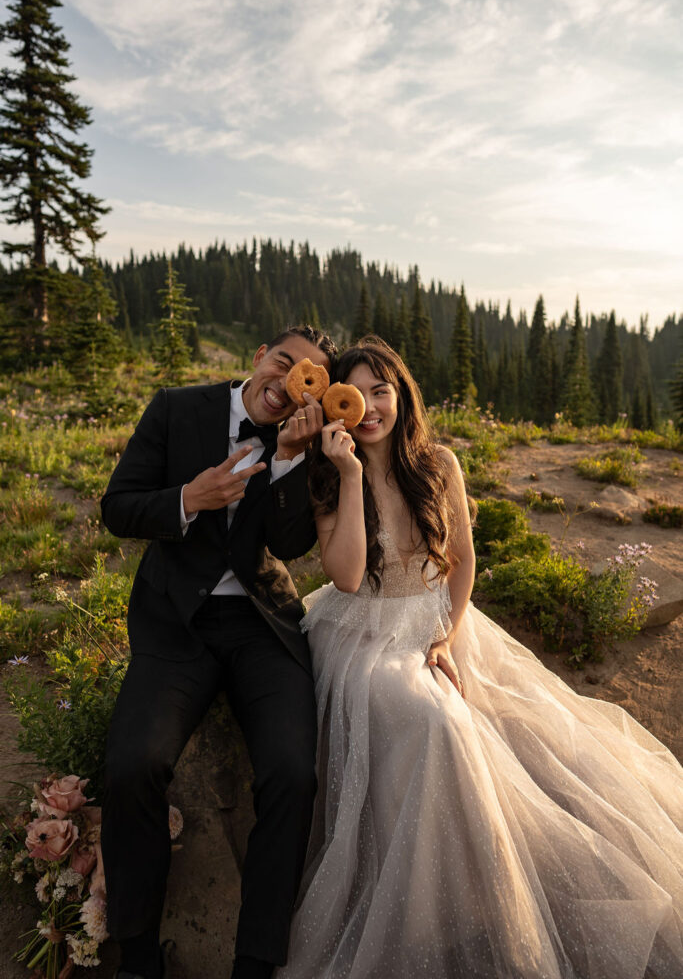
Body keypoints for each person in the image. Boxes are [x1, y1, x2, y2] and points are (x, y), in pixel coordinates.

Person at [275, 336, 683, 979]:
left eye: (383, 391)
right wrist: (352, 476)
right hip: (361, 633)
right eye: (358, 395)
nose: (372, 408)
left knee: (527, 735)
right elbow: (348, 576)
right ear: (337, 406)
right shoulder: (329, 474)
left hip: (436, 621)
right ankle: (426, 916)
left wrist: (446, 634)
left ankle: (481, 900)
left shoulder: (438, 463)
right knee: (438, 724)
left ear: (400, 395)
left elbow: (462, 561)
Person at [100, 324, 337, 979]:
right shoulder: (177, 408)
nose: (289, 381)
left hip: (261, 624)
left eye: (307, 377)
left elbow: (290, 546)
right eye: (285, 362)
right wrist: (187, 499)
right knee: (132, 766)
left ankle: (256, 963)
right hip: (177, 622)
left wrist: (290, 459)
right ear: (260, 358)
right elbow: (117, 507)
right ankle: (138, 958)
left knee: (291, 774)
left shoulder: (305, 435)